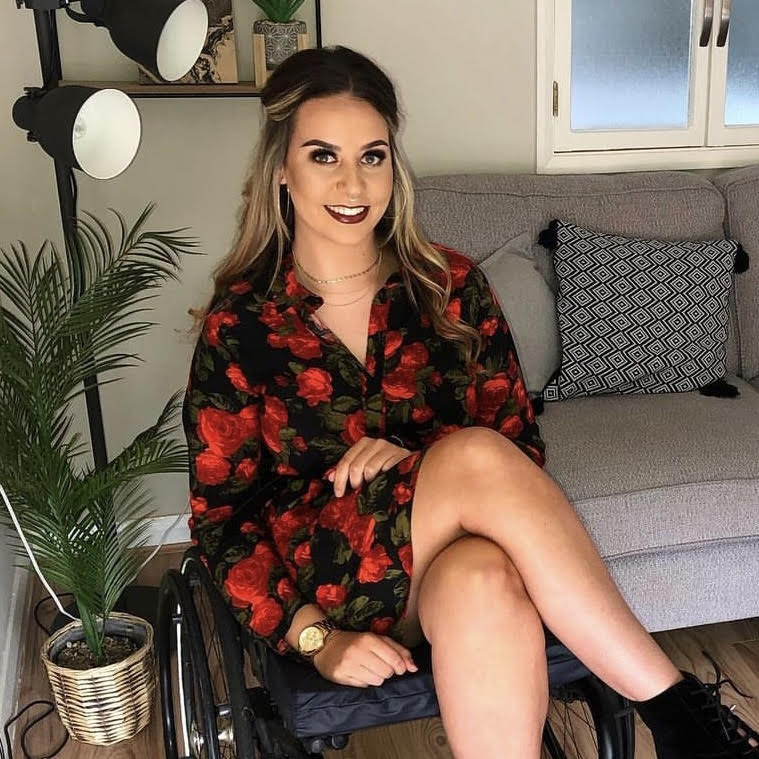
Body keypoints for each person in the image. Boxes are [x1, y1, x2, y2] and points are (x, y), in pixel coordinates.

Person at [182, 45, 759, 759]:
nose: (353, 180)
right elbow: (221, 520)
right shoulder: (243, 322)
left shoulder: (448, 286)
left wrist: (421, 472)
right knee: (473, 457)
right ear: (282, 171)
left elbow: (517, 445)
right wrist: (315, 637)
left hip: (442, 567)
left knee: (482, 571)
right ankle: (681, 717)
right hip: (325, 578)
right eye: (323, 155)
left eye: (373, 155)